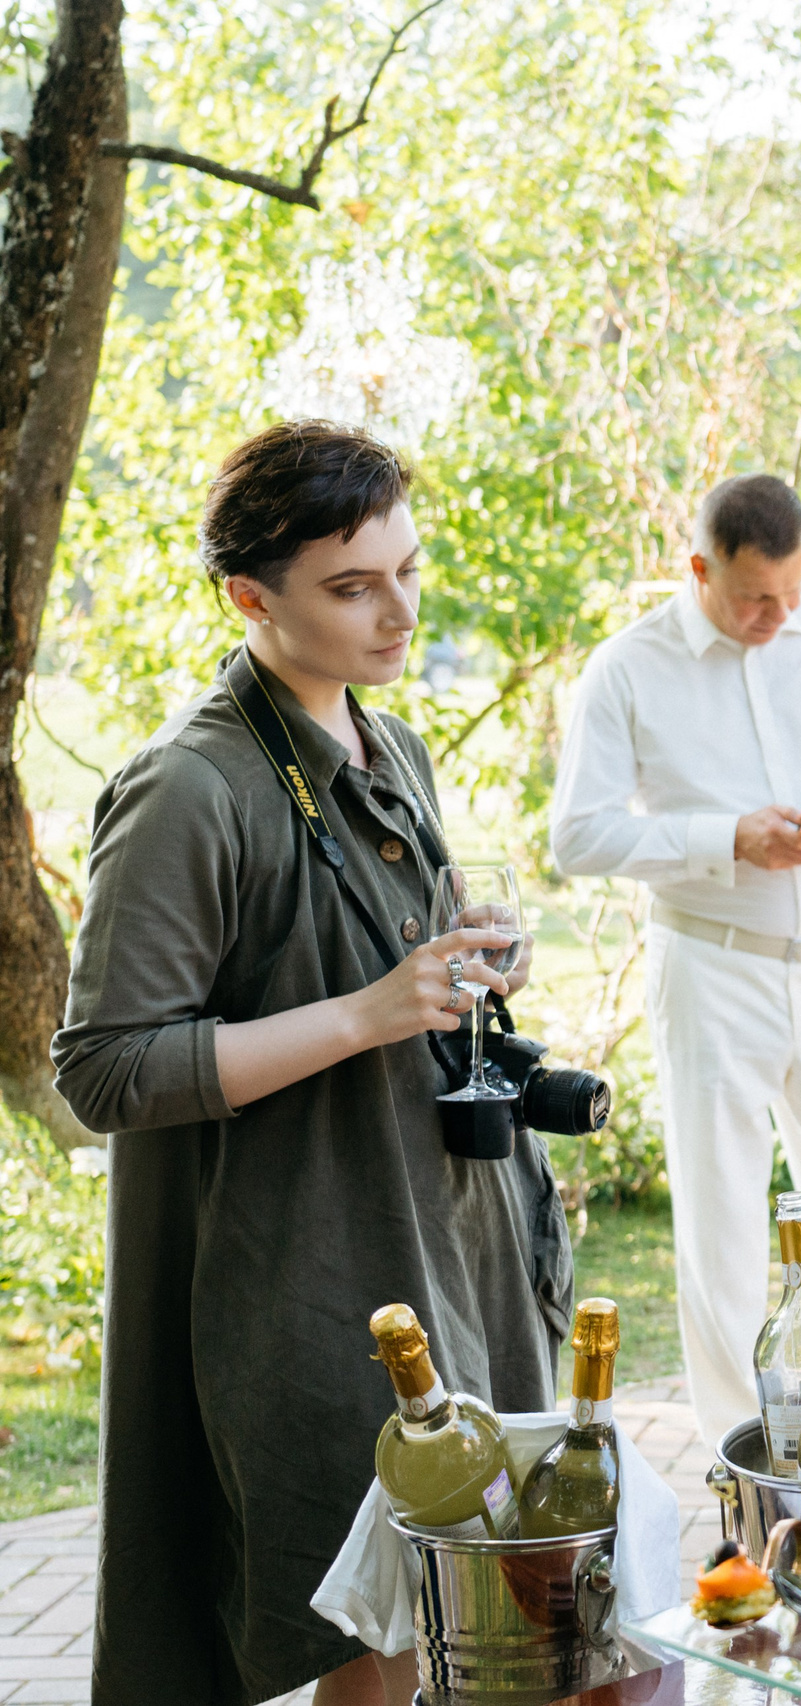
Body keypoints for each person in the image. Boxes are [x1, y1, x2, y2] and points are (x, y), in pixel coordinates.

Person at [52, 422, 568, 1706]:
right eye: (352, 586)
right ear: (248, 595)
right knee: (373, 1624)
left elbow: (398, 971)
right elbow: (107, 1070)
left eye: (406, 568)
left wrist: (473, 961)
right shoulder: (187, 786)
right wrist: (369, 1008)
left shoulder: (390, 744)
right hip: (309, 1263)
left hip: (446, 1231)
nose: (398, 611)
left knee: (479, 1584)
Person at [553, 473, 801, 1446]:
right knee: (721, 1221)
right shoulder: (627, 667)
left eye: (791, 591)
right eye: (756, 596)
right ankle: (736, 1449)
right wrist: (727, 837)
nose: (777, 614)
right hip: (711, 967)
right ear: (699, 569)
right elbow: (577, 836)